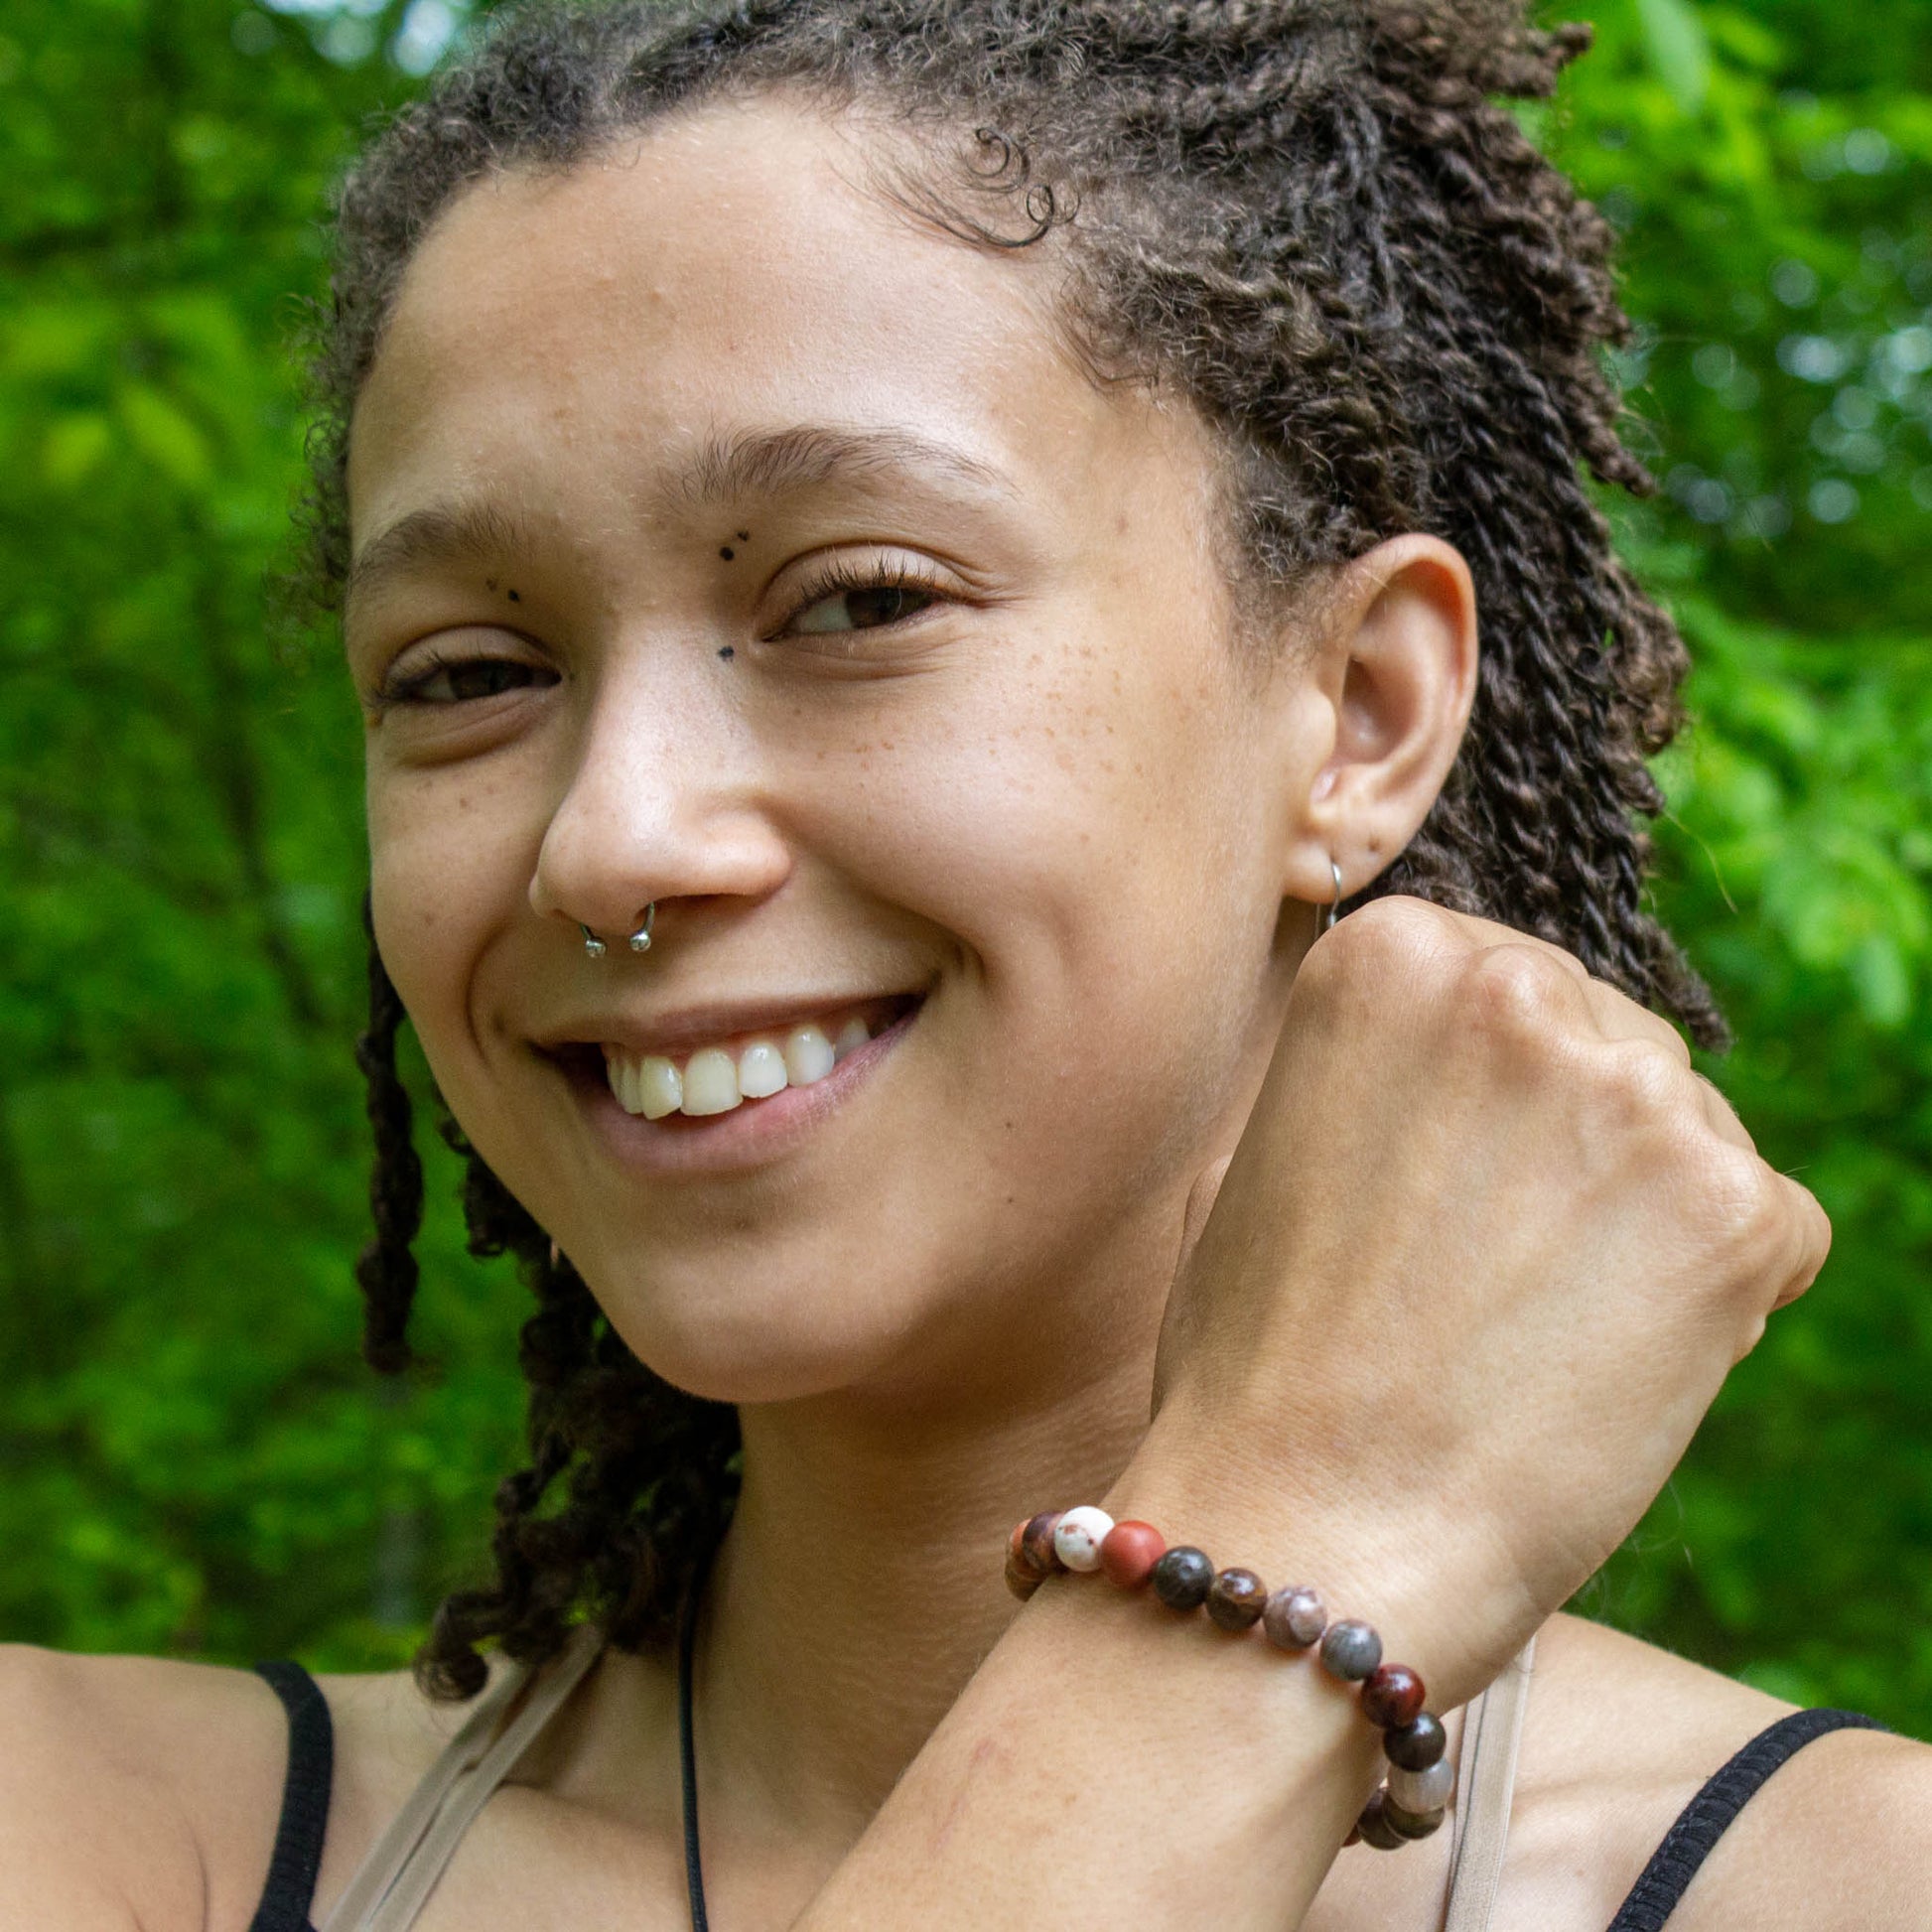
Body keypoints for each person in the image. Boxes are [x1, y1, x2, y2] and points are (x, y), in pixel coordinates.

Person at [4, 0, 1927, 1926]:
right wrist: (1283, 1548)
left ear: (1354, 708)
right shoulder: (85, 1825)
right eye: (470, 673)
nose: (612, 834)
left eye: (856, 599)